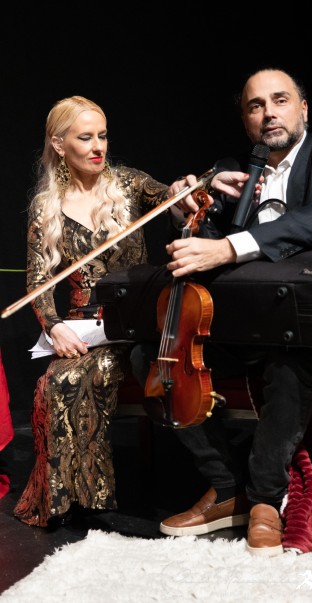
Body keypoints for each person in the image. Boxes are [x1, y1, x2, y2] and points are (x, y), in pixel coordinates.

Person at [130, 67, 312, 557]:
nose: (269, 113)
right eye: (256, 105)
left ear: (303, 108)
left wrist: (230, 247)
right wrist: (187, 210)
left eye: (280, 100)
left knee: (289, 361)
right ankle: (228, 488)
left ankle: (266, 498)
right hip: (248, 323)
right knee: (155, 359)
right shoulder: (233, 171)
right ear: (246, 120)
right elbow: (204, 244)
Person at [12, 95, 248, 529]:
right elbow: (37, 281)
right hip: (86, 324)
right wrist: (55, 325)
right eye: (85, 138)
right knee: (56, 381)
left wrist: (197, 186)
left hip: (140, 319)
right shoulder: (46, 208)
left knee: (102, 370)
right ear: (60, 144)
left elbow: (172, 195)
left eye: (102, 136)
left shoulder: (127, 183)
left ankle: (107, 493)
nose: (98, 146)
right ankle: (72, 501)